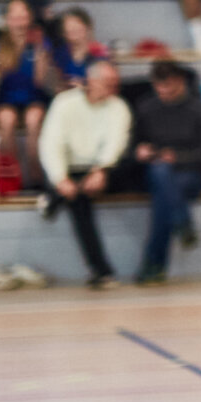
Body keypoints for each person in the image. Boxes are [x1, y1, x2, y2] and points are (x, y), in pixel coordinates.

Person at [39, 59, 131, 289]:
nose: (113, 88)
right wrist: (60, 179)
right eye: (108, 82)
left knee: (126, 168)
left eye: (115, 83)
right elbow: (51, 144)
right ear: (92, 81)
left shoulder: (119, 106)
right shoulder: (65, 103)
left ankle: (52, 198)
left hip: (104, 168)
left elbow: (116, 143)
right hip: (71, 168)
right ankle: (101, 271)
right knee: (78, 199)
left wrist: (101, 170)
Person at [129, 59, 201, 286]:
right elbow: (133, 145)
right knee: (161, 173)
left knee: (164, 195)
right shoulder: (146, 107)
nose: (163, 91)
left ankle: (154, 265)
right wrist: (140, 151)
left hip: (190, 173)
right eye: (159, 86)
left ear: (180, 82)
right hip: (155, 171)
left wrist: (177, 157)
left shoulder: (200, 108)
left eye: (168, 85)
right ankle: (182, 222)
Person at [0, 0, 53, 188]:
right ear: (7, 20)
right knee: (6, 119)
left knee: (33, 118)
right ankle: (12, 175)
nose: (19, 23)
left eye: (23, 18)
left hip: (34, 98)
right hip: (6, 100)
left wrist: (40, 55)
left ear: (29, 19)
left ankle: (36, 174)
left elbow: (40, 83)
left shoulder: (40, 43)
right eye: (15, 18)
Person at [50, 7, 109, 90]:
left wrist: (84, 88)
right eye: (68, 27)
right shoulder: (60, 52)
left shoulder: (98, 52)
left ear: (87, 28)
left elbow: (104, 86)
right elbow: (54, 80)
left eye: (76, 25)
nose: (72, 29)